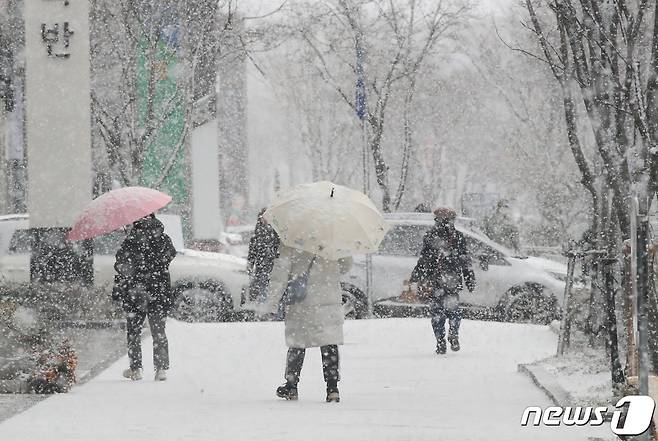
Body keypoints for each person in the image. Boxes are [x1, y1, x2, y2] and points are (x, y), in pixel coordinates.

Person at [259, 245, 352, 402]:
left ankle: (291, 385)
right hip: (328, 298)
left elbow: (280, 272)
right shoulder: (332, 237)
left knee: (297, 342)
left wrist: (271, 302)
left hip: (302, 301)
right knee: (329, 342)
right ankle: (332, 388)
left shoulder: (294, 237)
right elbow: (345, 266)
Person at [113, 214, 177, 381]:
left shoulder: (132, 239)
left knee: (134, 331)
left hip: (136, 292)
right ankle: (161, 368)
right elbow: (170, 255)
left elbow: (120, 264)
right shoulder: (163, 238)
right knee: (158, 330)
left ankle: (136, 368)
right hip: (159, 290)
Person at [410, 207, 476, 354]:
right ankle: (453, 332)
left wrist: (416, 277)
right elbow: (465, 260)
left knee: (437, 313)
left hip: (435, 281)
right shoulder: (458, 237)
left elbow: (423, 261)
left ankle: (440, 341)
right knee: (453, 310)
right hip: (452, 280)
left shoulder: (430, 236)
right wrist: (469, 278)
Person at [247, 208, 280, 302]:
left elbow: (277, 250)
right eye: (262, 217)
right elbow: (252, 253)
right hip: (260, 268)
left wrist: (273, 255)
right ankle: (259, 307)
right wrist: (250, 266)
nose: (264, 219)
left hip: (270, 269)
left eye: (267, 217)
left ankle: (262, 308)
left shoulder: (274, 233)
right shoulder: (257, 233)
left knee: (265, 290)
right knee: (259, 289)